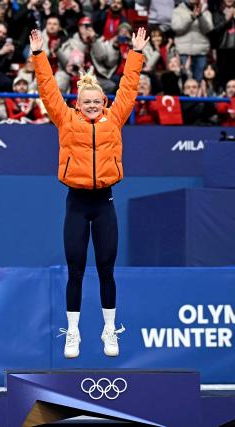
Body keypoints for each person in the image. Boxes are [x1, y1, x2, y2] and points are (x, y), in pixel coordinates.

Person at [30, 27, 148, 358]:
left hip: (105, 201)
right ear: (78, 103)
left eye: (97, 101)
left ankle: (110, 331)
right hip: (77, 204)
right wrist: (39, 56)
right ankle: (74, 334)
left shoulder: (114, 119)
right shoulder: (66, 120)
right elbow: (48, 90)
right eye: (87, 102)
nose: (93, 105)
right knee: (76, 269)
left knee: (107, 269)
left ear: (104, 103)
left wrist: (135, 54)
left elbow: (129, 87)